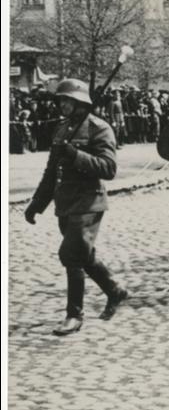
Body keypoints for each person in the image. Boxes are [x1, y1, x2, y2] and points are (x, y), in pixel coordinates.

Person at [24, 79, 129, 336]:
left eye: (67, 100)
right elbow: (51, 172)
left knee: (71, 256)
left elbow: (109, 168)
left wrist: (75, 154)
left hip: (89, 202)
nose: (63, 105)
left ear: (81, 102)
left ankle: (74, 315)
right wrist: (37, 203)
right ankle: (115, 290)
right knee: (83, 255)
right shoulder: (62, 129)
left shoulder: (99, 128)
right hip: (66, 203)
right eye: (61, 100)